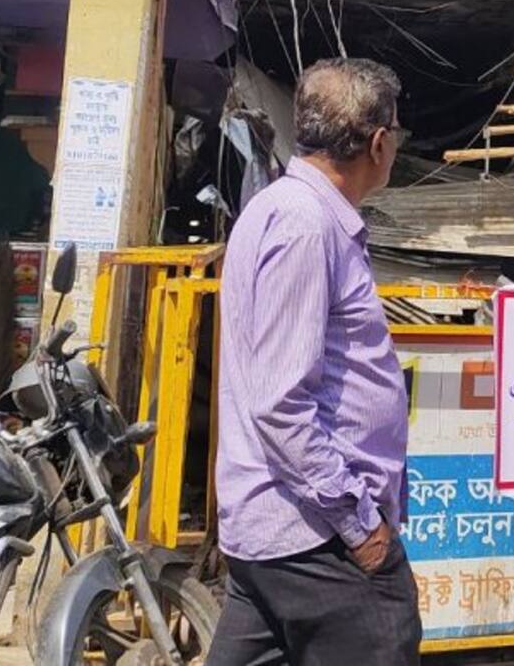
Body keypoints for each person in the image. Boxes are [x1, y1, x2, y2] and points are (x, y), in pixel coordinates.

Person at [206, 58, 420, 666]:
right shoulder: (304, 225)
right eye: (395, 134)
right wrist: (361, 526)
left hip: (278, 538)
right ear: (379, 143)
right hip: (317, 542)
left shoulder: (281, 210)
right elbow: (281, 403)